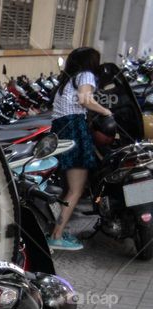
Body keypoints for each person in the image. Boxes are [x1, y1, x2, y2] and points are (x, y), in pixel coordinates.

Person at [49, 46, 114, 251]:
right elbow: (85, 99)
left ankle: (55, 230)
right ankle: (57, 236)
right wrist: (106, 111)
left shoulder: (67, 80)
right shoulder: (86, 75)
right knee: (76, 190)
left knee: (68, 188)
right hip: (74, 129)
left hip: (60, 130)